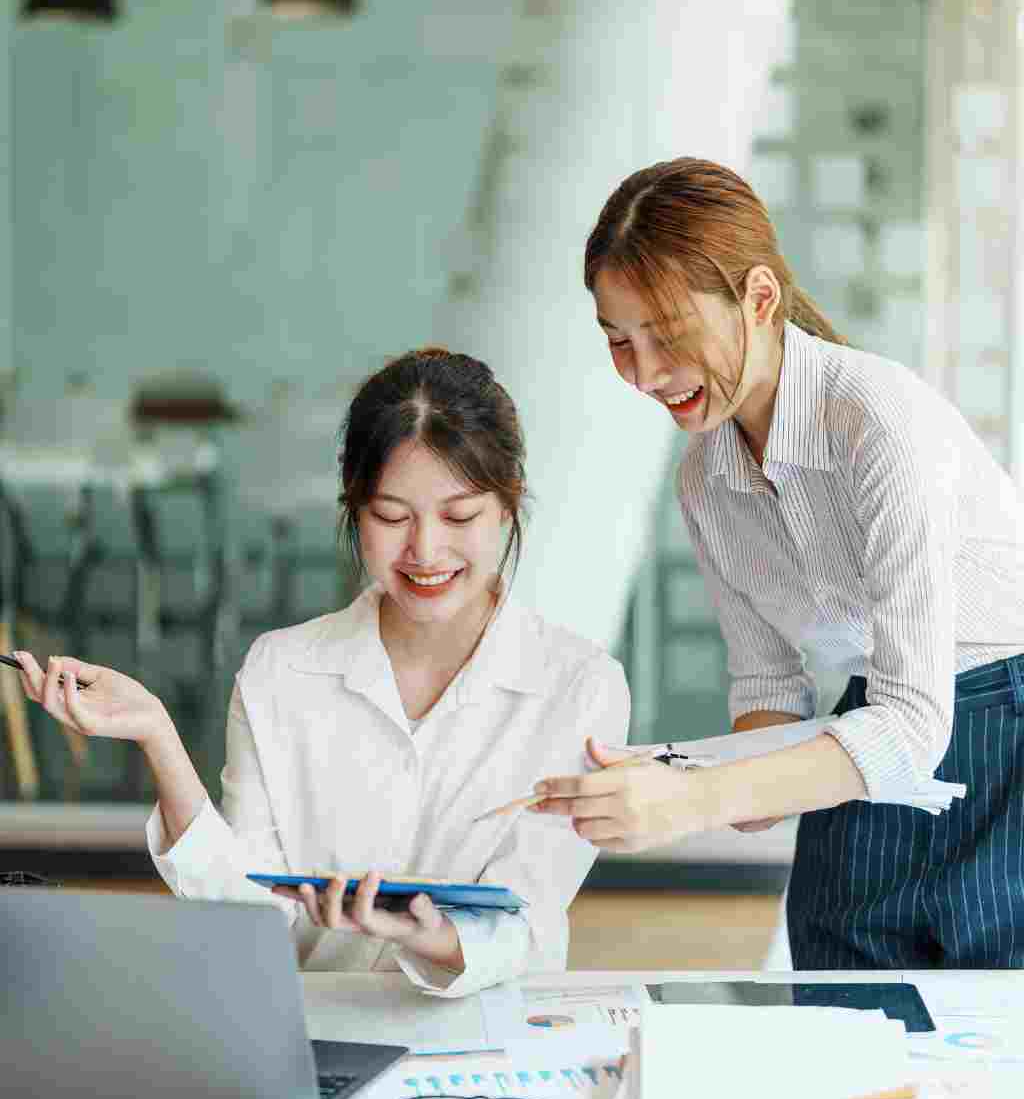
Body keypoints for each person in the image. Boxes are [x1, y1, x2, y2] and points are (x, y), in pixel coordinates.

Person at [534, 156, 1024, 970]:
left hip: (998, 747)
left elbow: (913, 727)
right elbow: (770, 690)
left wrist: (693, 799)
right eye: (620, 342)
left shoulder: (880, 422)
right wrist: (674, 775)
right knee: (842, 1045)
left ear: (759, 298)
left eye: (669, 334)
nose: (646, 374)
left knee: (999, 1068)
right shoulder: (706, 478)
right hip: (869, 735)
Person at [16, 348, 628, 997]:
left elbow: (526, 918)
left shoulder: (580, 686)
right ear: (354, 511)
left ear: (507, 506)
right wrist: (156, 736)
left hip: (496, 1047)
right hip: (319, 1036)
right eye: (391, 516)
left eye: (459, 516)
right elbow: (250, 915)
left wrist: (423, 935)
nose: (425, 550)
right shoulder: (282, 671)